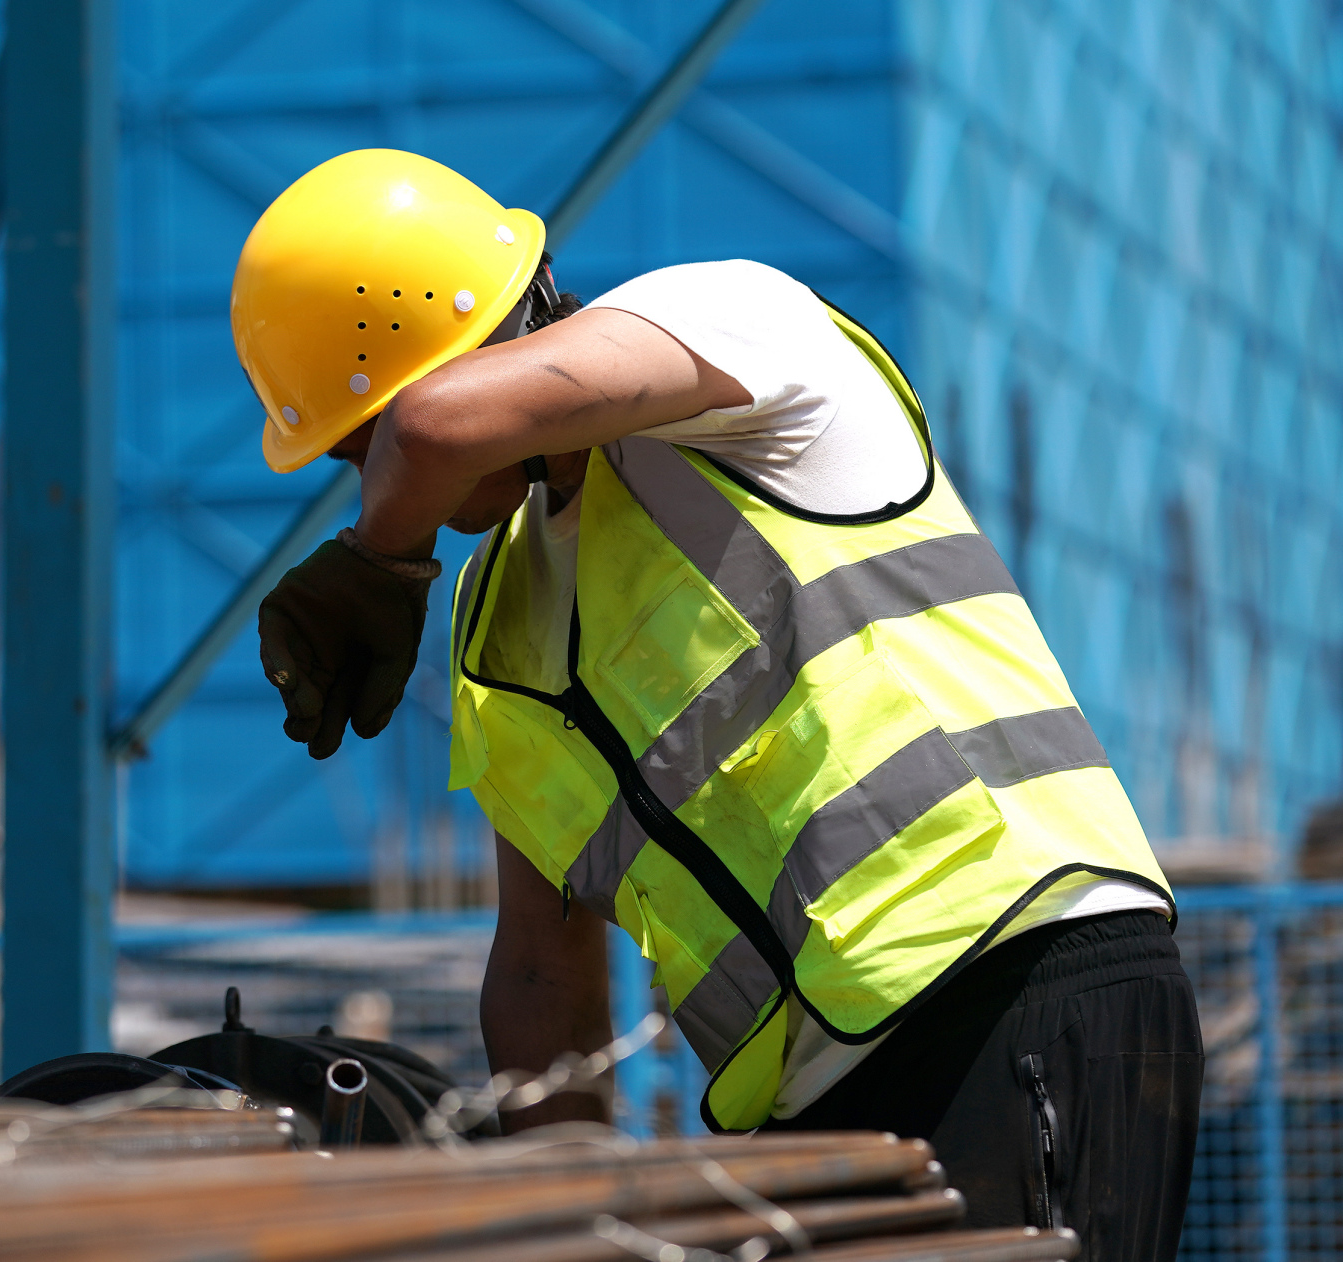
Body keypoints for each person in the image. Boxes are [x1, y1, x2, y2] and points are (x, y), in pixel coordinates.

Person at [232, 148, 1202, 1259]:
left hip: (1014, 973)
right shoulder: (496, 624)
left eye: (364, 444)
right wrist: (565, 1224)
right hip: (815, 1095)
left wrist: (377, 561)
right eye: (350, 458)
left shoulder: (724, 329)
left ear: (479, 343)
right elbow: (540, 971)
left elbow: (435, 429)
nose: (375, 481)